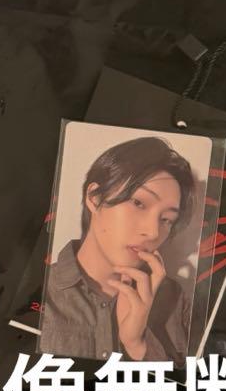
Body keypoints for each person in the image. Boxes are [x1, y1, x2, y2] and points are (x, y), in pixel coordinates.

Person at [39, 135, 196, 364]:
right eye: (138, 203)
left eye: (166, 220)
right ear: (95, 198)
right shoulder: (39, 291)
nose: (153, 232)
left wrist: (137, 345)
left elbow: (192, 387)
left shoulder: (176, 301)